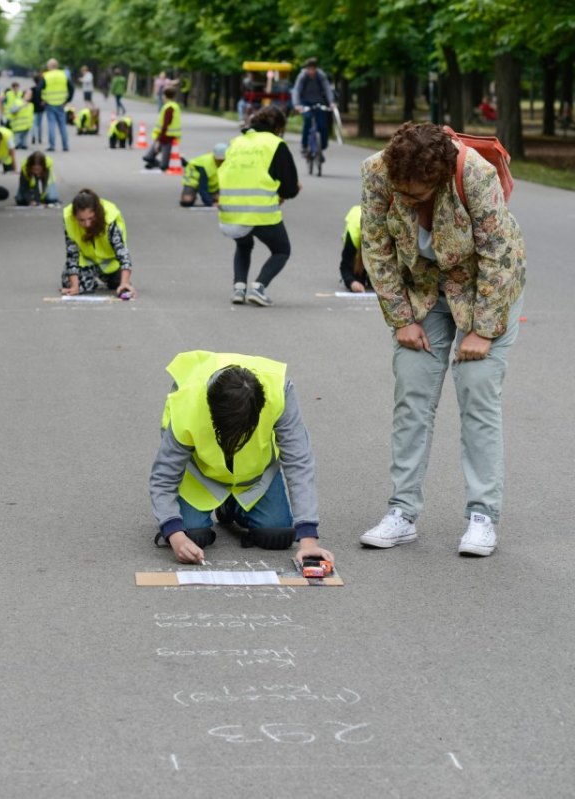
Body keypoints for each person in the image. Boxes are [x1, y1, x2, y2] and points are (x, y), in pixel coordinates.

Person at [357, 122, 526, 557]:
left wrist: (482, 329)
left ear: (439, 177)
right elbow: (375, 246)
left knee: (477, 395)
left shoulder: (473, 174)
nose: (409, 203)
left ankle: (482, 516)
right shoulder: (377, 172)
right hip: (423, 289)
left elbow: (498, 253)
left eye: (418, 195)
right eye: (403, 194)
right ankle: (401, 512)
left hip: (485, 287)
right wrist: (401, 321)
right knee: (412, 394)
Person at [149, 351, 333, 566]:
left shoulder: (279, 391)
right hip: (201, 478)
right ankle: (219, 505)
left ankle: (231, 505)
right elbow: (163, 477)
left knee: (277, 536)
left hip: (254, 478)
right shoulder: (187, 402)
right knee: (193, 536)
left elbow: (298, 461)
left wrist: (309, 540)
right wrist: (174, 534)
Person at [217, 105, 299, 306]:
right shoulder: (275, 144)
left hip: (230, 211)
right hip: (260, 212)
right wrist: (288, 191)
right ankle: (259, 287)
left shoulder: (236, 142)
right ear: (278, 127)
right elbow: (289, 188)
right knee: (281, 250)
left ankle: (239, 288)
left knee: (243, 244)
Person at [61, 188, 135, 297]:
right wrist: (74, 286)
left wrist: (124, 283)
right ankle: (89, 281)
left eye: (91, 218)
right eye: (81, 220)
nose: (87, 224)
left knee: (118, 284)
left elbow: (123, 254)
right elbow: (72, 254)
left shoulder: (109, 220)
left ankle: (109, 279)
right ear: (74, 216)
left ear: (97, 213)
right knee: (72, 285)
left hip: (110, 265)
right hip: (87, 262)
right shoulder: (69, 220)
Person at [291, 57, 336, 159]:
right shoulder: (302, 76)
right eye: (309, 69)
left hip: (318, 102)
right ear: (306, 69)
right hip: (305, 103)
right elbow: (296, 91)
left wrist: (331, 102)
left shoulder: (321, 76)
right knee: (307, 120)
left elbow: (327, 89)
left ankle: (321, 147)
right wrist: (297, 105)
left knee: (323, 125)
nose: (311, 71)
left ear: (316, 69)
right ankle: (304, 145)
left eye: (313, 69)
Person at [142, 86, 182, 170]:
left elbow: (166, 124)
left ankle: (181, 162)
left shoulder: (169, 108)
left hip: (167, 137)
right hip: (163, 135)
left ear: (165, 96)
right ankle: (155, 163)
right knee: (147, 157)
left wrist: (159, 139)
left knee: (164, 165)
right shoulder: (171, 106)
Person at [39, 59, 73, 152]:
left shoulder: (46, 76)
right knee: (62, 125)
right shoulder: (63, 75)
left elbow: (39, 89)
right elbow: (71, 88)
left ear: (49, 66)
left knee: (51, 125)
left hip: (49, 103)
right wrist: (68, 100)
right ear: (57, 66)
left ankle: (52, 146)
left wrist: (41, 100)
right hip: (61, 103)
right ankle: (65, 146)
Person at [180, 143, 227, 207]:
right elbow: (202, 188)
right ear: (214, 157)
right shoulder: (206, 165)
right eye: (219, 160)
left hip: (210, 183)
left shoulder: (228, 163)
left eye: (223, 160)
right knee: (187, 201)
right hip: (193, 180)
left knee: (221, 199)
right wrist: (210, 204)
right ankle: (192, 195)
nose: (221, 163)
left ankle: (212, 197)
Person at [338, 205, 370, 292]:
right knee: (358, 279)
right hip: (357, 223)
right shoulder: (354, 235)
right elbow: (344, 266)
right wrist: (352, 282)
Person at [4, 81, 34, 150]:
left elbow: (31, 115)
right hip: (14, 120)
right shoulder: (9, 94)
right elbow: (6, 104)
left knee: (23, 138)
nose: (16, 88)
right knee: (15, 137)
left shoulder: (30, 104)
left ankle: (22, 144)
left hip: (26, 125)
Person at [30, 72, 46, 144]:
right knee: (39, 124)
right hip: (40, 108)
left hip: (33, 108)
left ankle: (34, 137)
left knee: (34, 124)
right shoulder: (43, 90)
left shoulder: (32, 89)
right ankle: (39, 138)